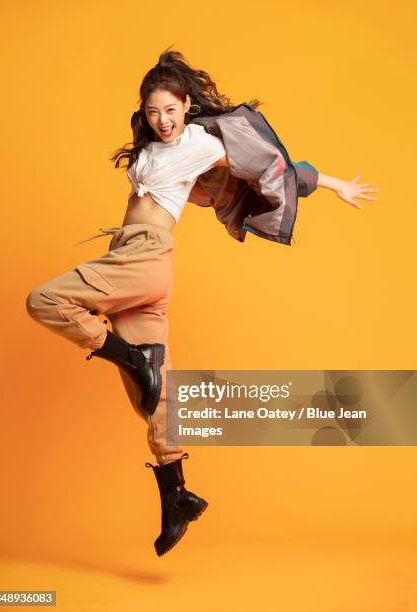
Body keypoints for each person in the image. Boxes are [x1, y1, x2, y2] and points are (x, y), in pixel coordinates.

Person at [25, 47, 379, 557]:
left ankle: (131, 356)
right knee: (154, 396)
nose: (163, 120)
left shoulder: (200, 140)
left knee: (44, 301)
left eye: (170, 109)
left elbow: (274, 164)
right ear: (144, 112)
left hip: (143, 260)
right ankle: (177, 497)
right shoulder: (153, 147)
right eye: (153, 112)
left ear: (186, 104)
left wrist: (334, 182)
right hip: (136, 262)